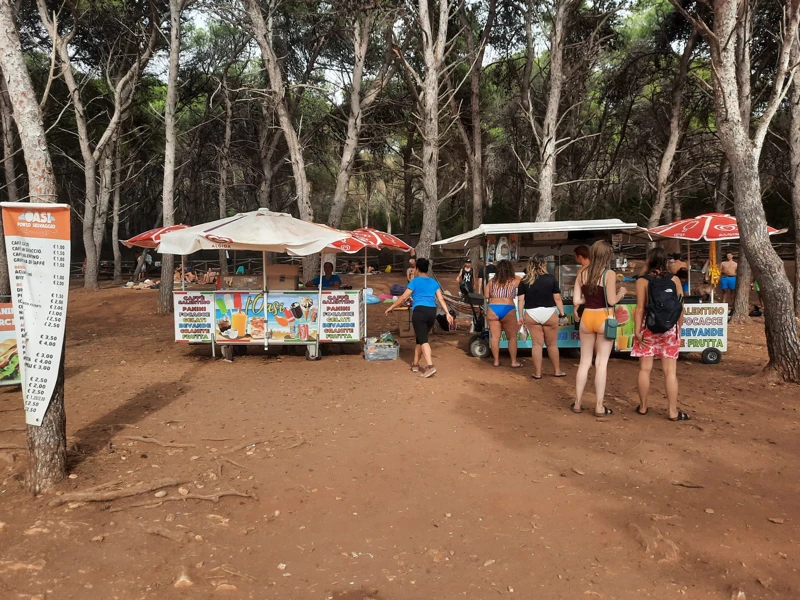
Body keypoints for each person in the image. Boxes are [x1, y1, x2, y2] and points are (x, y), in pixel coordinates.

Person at [632, 247, 689, 421]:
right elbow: (680, 307)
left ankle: (642, 407)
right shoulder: (674, 280)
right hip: (669, 329)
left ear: (648, 260)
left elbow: (640, 308)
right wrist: (677, 328)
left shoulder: (642, 281)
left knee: (644, 369)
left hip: (648, 327)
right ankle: (672, 411)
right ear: (665, 261)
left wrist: (636, 330)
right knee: (670, 372)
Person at [572, 240, 627, 416]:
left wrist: (586, 299)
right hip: (604, 317)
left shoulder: (582, 273)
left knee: (584, 363)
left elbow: (576, 301)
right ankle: (599, 406)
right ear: (608, 255)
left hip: (587, 317)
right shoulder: (609, 274)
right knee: (601, 364)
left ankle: (578, 403)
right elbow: (611, 300)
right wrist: (622, 292)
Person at [385, 257, 452, 378]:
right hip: (432, 312)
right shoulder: (433, 282)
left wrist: (392, 307)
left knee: (423, 340)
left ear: (417, 269)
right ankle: (415, 364)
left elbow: (403, 297)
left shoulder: (414, 281)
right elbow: (441, 298)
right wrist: (447, 312)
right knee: (421, 338)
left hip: (419, 312)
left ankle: (430, 366)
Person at [517, 255, 567, 379]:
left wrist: (520, 316)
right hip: (549, 313)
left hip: (531, 314)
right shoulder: (551, 279)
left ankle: (538, 373)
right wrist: (562, 314)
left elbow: (520, 301)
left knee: (537, 345)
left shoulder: (524, 280)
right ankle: (557, 370)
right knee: (552, 345)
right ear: (544, 264)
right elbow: (557, 298)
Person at [485, 259, 522, 368]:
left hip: (493, 308)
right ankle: (513, 361)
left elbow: (486, 295)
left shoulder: (492, 281)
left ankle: (496, 361)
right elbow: (527, 285)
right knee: (512, 337)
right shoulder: (515, 280)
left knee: (495, 337)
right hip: (508, 308)